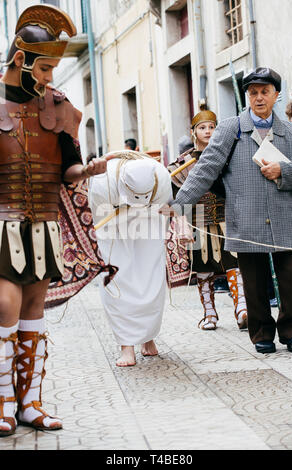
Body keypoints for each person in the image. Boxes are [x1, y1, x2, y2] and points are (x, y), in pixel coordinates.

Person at [0, 4, 108, 437]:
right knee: (5, 303)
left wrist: (88, 170)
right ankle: (4, 400)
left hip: (43, 222)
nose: (49, 78)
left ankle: (30, 403)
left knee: (33, 307)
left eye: (53, 69)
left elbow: (68, 168)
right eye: (44, 68)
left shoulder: (59, 107)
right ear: (21, 59)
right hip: (0, 222)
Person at [163, 67, 292, 355]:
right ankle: (262, 334)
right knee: (254, 281)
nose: (259, 97)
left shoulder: (290, 131)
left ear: (277, 95)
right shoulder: (230, 129)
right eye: (253, 92)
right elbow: (205, 169)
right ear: (247, 96)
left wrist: (283, 170)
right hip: (247, 217)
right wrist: (180, 203)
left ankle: (290, 331)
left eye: (265, 92)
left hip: (286, 217)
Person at [89, 151, 172, 367]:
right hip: (111, 224)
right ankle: (127, 346)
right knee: (117, 279)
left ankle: (148, 339)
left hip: (149, 221)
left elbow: (164, 207)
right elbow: (96, 214)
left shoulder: (160, 176)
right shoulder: (102, 181)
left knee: (151, 278)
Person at [167, 110, 247, 331]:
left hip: (225, 215)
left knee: (234, 263)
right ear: (193, 132)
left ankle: (241, 308)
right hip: (198, 219)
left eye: (212, 127)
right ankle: (209, 313)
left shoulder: (226, 155)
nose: (208, 132)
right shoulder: (182, 163)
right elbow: (175, 191)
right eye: (202, 128)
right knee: (203, 269)